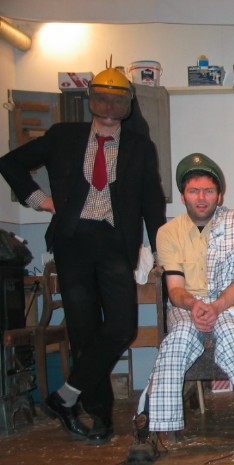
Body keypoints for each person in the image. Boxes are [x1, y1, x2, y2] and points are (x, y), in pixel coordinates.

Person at [0, 67, 166, 444]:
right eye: (102, 100)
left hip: (115, 243)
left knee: (121, 327)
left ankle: (65, 396)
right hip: (72, 241)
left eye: (116, 102)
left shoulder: (139, 146)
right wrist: (40, 200)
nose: (108, 109)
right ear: (92, 101)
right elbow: (9, 162)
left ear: (126, 105)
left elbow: (152, 202)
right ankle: (99, 416)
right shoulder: (64, 136)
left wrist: (161, 251)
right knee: (84, 331)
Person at [125, 153, 234, 465]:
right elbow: (175, 289)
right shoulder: (168, 232)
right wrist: (195, 305)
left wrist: (216, 306)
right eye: (194, 191)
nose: (201, 198)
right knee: (178, 339)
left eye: (208, 191)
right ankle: (149, 428)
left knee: (229, 332)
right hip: (187, 305)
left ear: (219, 195)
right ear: (183, 195)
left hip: (230, 303)